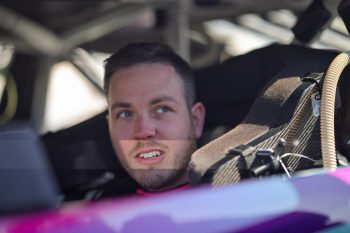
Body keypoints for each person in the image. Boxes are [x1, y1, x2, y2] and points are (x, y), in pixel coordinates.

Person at [103, 43, 206, 196]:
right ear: (109, 126)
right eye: (125, 114)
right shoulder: (97, 211)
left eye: (162, 109)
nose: (144, 131)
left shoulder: (241, 199)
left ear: (195, 120)